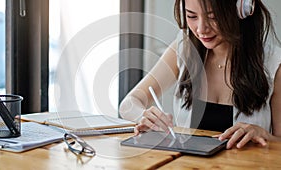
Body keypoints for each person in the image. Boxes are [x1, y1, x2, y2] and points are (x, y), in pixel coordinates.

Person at [119, 0, 281, 149]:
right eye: (191, 16)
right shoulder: (184, 48)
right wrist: (146, 117)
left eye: (213, 17)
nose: (201, 29)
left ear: (242, 9)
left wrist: (264, 135)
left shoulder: (274, 63)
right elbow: (128, 104)